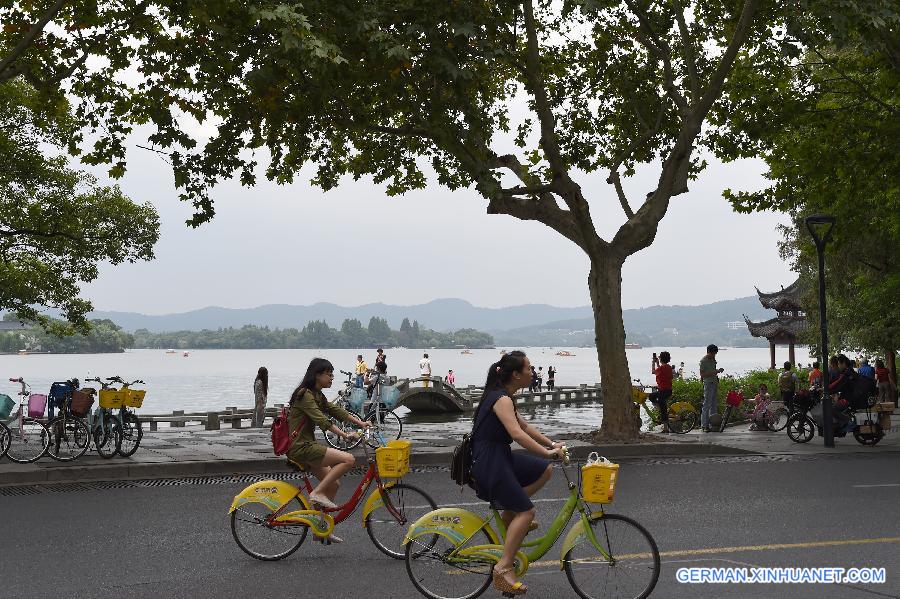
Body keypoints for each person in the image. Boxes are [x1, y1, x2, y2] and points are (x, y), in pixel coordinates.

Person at [470, 351, 564, 596]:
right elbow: (517, 434)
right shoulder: (501, 399)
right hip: (490, 462)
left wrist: (552, 445)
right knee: (528, 510)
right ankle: (503, 567)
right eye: (529, 369)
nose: (532, 373)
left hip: (499, 456)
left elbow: (525, 427)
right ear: (516, 374)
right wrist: (546, 452)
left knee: (545, 470)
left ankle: (512, 513)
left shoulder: (504, 396)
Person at [286, 358, 372, 542]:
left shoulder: (317, 395)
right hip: (302, 448)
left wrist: (361, 423)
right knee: (348, 459)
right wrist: (344, 434)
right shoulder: (305, 395)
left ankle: (320, 528)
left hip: (307, 446)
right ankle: (316, 494)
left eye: (332, 374)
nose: (332, 378)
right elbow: (322, 421)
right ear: (317, 375)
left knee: (333, 484)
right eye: (329, 374)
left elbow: (336, 411)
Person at [699, 344, 724, 432]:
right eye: (713, 353)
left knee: (713, 405)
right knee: (707, 405)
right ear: (709, 352)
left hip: (714, 383)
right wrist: (716, 371)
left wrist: (716, 375)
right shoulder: (703, 361)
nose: (714, 355)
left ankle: (713, 424)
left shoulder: (713, 359)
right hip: (708, 384)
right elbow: (702, 375)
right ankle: (704, 425)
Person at [650, 351, 675, 433]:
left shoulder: (662, 368)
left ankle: (665, 428)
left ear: (660, 358)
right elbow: (661, 371)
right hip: (667, 390)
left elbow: (654, 371)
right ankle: (660, 409)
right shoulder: (668, 367)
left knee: (662, 406)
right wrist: (657, 363)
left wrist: (653, 363)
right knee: (652, 396)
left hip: (664, 391)